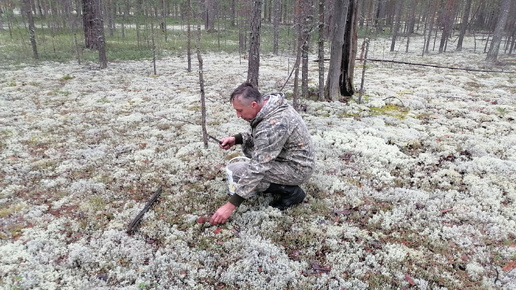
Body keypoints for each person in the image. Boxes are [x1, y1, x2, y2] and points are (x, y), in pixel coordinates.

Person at [210, 82, 315, 225]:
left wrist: (230, 206)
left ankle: (292, 193)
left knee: (240, 172)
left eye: (240, 110)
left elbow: (258, 167)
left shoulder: (275, 123)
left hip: (297, 168)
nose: (238, 115)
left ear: (253, 104)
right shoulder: (269, 106)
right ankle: (281, 186)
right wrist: (236, 139)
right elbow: (261, 137)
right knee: (243, 171)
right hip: (287, 159)